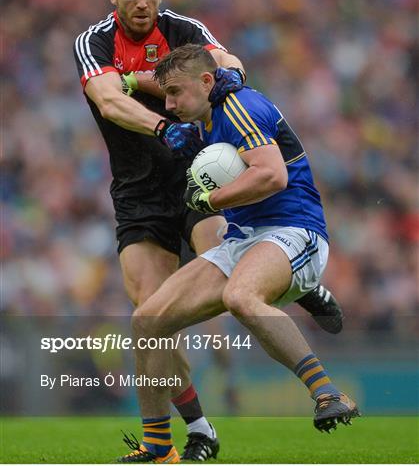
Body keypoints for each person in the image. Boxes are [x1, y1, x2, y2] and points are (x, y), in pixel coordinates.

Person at [73, 0, 342, 462]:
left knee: (234, 262)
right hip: (139, 192)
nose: (143, 4)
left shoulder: (184, 28)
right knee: (150, 315)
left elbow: (230, 64)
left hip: (200, 175)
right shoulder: (95, 42)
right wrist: (161, 125)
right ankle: (191, 432)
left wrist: (226, 85)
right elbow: (107, 99)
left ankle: (297, 281)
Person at [122, 44, 359, 463]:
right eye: (166, 94)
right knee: (146, 321)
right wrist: (125, 80)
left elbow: (271, 174)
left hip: (294, 229)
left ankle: (326, 392)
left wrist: (210, 201)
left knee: (240, 297)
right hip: (244, 238)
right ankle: (159, 447)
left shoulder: (238, 108)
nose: (169, 104)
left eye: (175, 93)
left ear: (207, 82)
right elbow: (170, 83)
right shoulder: (209, 111)